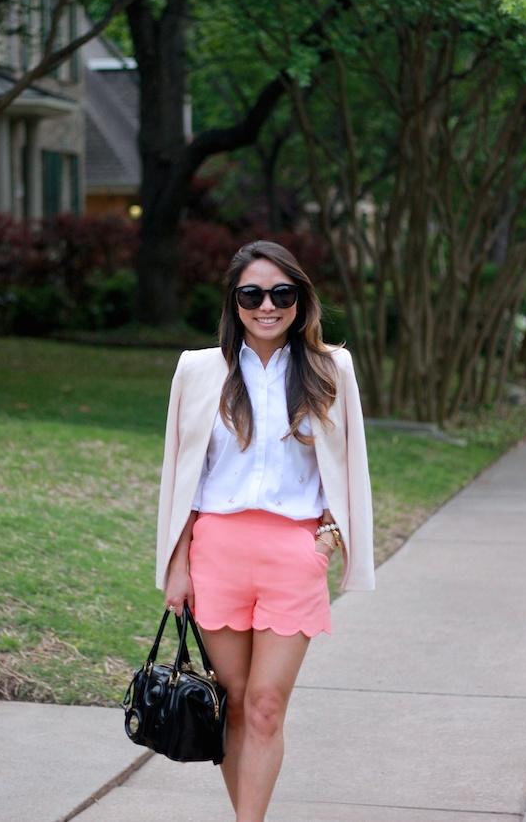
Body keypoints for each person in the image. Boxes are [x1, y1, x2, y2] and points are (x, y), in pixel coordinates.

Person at [156, 240, 374, 822]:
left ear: (300, 299)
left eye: (282, 293)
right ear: (234, 301)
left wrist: (325, 543)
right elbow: (184, 478)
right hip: (217, 554)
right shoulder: (198, 370)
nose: (268, 306)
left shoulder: (332, 368)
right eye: (252, 294)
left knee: (266, 707)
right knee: (230, 709)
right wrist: (177, 566)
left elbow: (349, 470)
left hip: (293, 554)